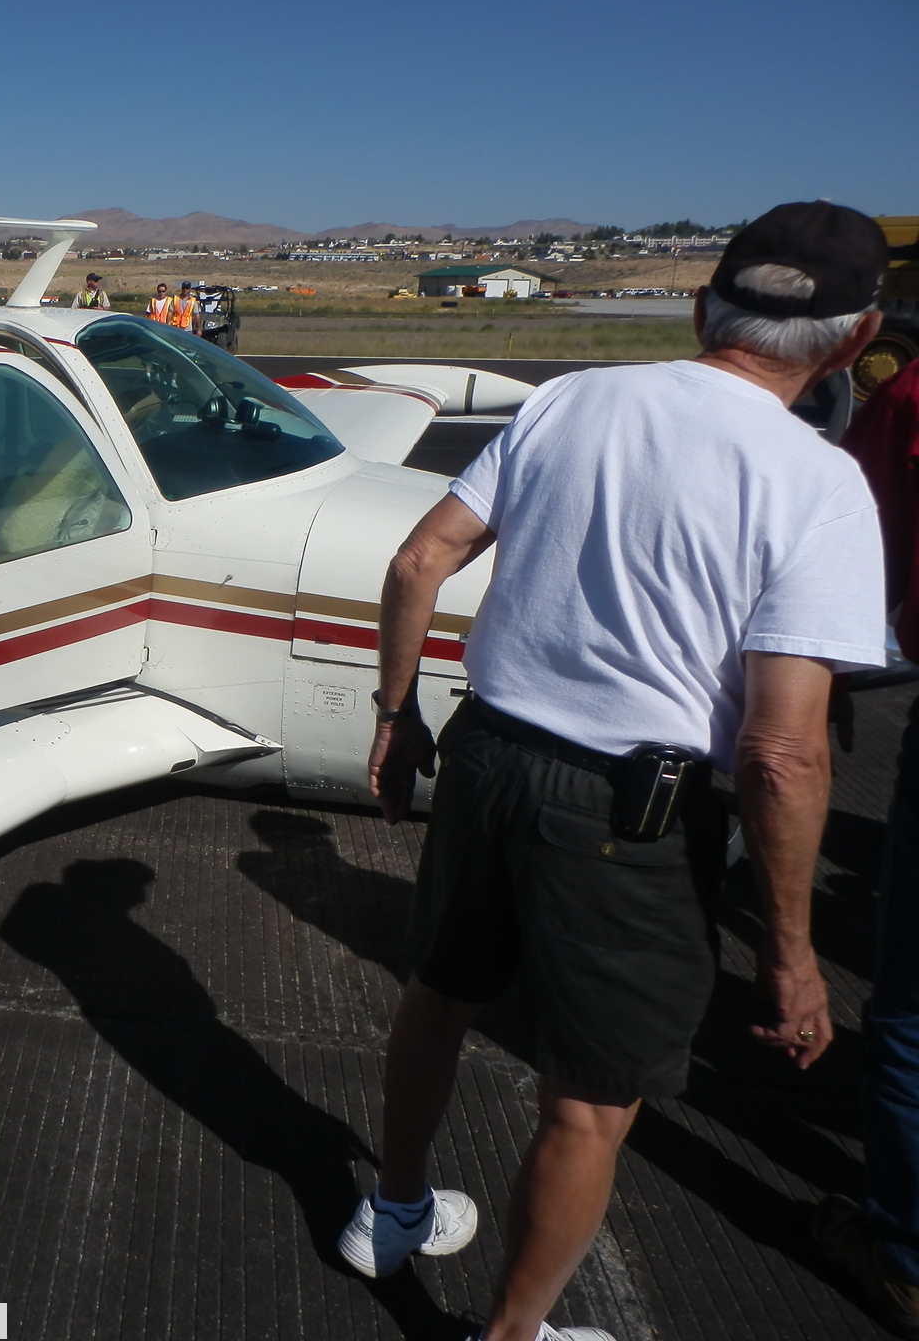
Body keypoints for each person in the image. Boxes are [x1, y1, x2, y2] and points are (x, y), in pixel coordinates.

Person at [353, 200, 890, 1341]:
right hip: (630, 818)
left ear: (704, 308)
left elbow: (417, 562)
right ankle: (512, 1334)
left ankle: (393, 1209)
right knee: (591, 1106)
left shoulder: (571, 398)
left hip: (489, 753)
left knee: (437, 1000)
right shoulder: (820, 483)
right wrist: (792, 956)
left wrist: (398, 719)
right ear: (856, 339)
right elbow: (785, 750)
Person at [820, 353, 919, 1337]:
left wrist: (826, 683)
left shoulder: (913, 395)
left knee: (911, 1018)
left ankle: (906, 1257)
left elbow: (859, 551)